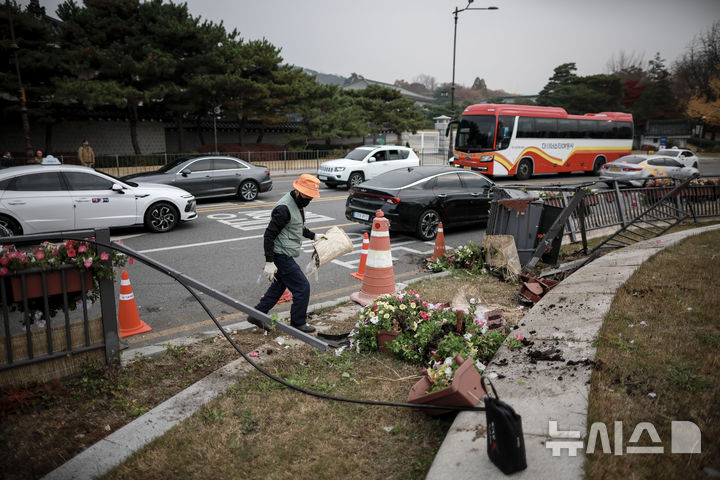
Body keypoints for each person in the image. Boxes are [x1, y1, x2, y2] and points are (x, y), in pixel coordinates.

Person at [249, 174, 323, 333]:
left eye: (311, 197)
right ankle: (298, 322)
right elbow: (269, 235)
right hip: (280, 255)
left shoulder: (297, 203)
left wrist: (314, 236)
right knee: (302, 287)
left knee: (278, 287)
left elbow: (296, 226)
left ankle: (257, 314)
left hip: (284, 254)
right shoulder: (284, 208)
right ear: (297, 190)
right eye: (306, 196)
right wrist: (270, 262)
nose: (308, 199)